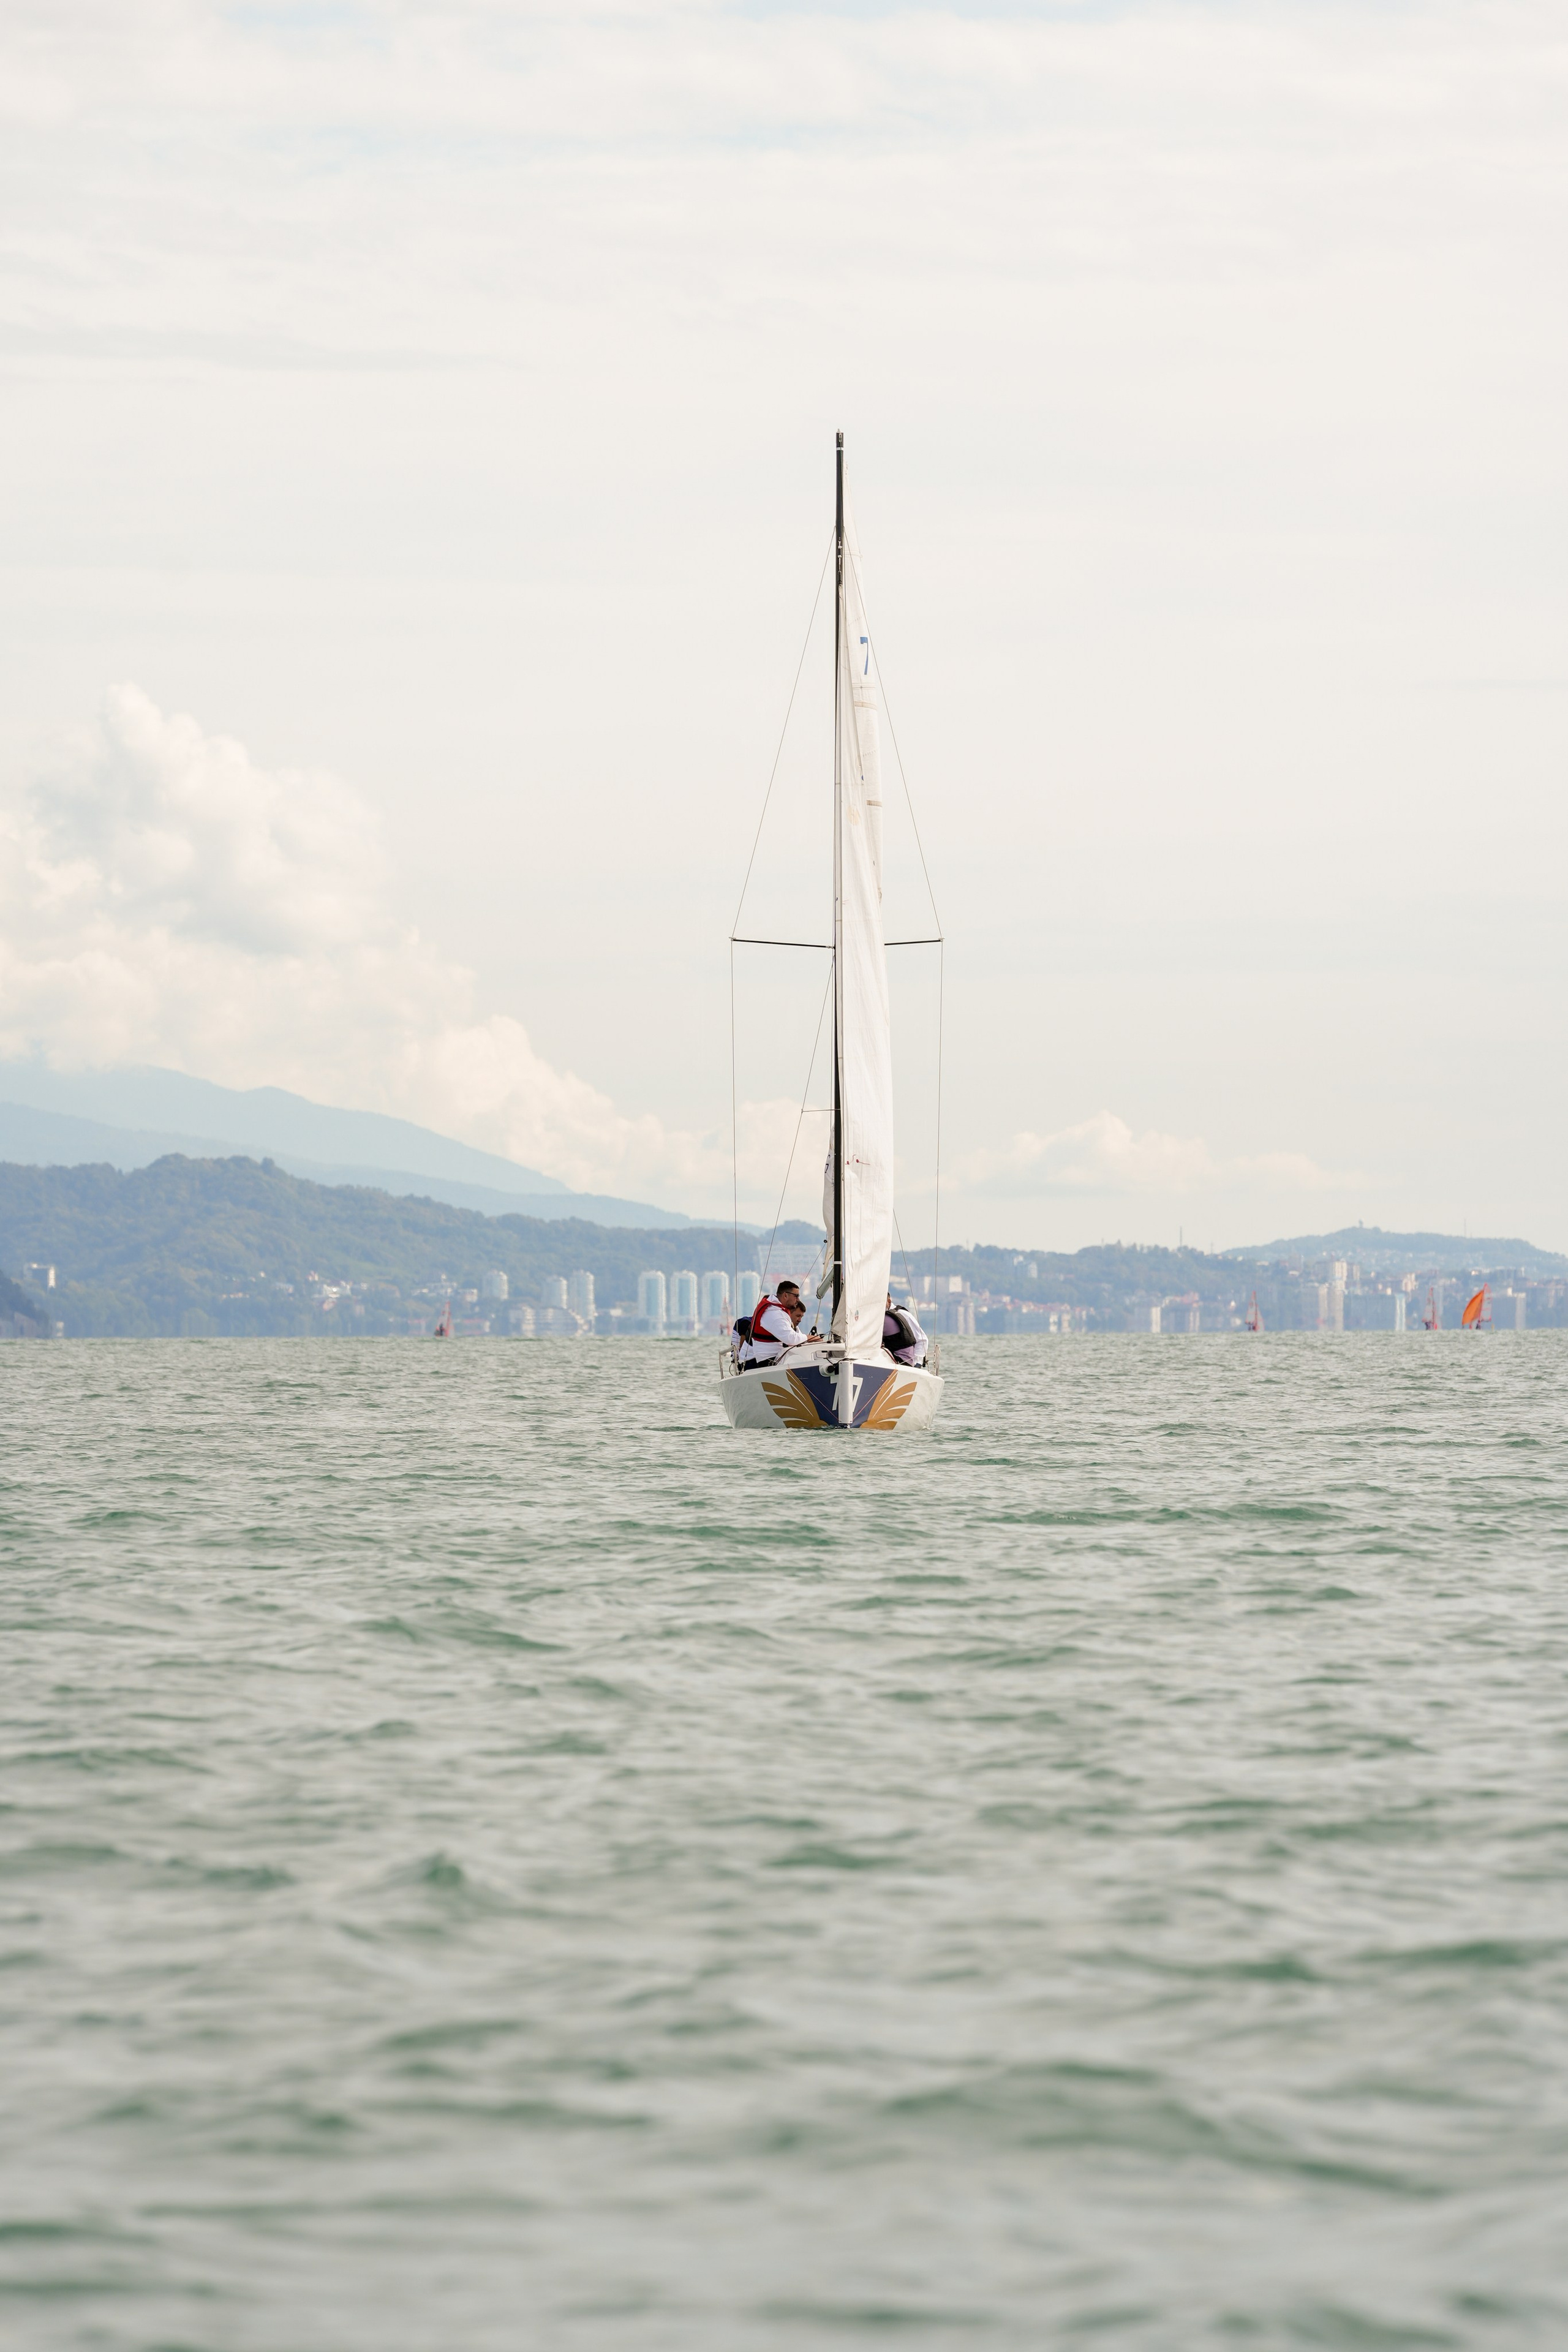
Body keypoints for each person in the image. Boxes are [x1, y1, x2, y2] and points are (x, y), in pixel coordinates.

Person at [738, 1279, 813, 1367]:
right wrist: (812, 1338)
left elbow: (795, 1337)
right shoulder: (773, 1313)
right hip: (759, 1362)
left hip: (773, 1358)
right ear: (785, 1296)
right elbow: (791, 1339)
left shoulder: (778, 1310)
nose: (798, 1300)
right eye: (796, 1296)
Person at [882, 1292, 927, 1366]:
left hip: (907, 1362)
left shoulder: (902, 1314)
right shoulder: (879, 1317)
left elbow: (923, 1340)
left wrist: (916, 1363)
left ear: (889, 1302)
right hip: (889, 1359)